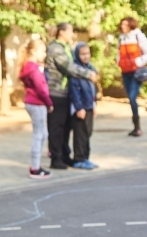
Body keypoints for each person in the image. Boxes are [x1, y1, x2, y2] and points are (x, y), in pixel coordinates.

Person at [46, 23, 98, 169]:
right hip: (56, 92)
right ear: (61, 32)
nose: (72, 34)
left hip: (65, 93)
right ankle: (56, 158)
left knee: (65, 127)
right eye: (70, 31)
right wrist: (88, 74)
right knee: (57, 127)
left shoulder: (65, 48)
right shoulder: (56, 48)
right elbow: (68, 67)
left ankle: (64, 155)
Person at [18, 38, 53, 179]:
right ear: (33, 51)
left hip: (34, 102)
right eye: (42, 51)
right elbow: (41, 89)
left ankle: (37, 165)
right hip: (37, 103)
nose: (44, 54)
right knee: (39, 135)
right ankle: (35, 168)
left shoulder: (29, 67)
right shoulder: (33, 69)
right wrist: (49, 103)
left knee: (43, 133)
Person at [117, 17, 147, 137]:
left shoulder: (138, 36)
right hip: (125, 71)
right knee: (130, 98)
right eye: (122, 24)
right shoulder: (121, 38)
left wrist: (138, 61)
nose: (123, 27)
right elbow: (119, 53)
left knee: (132, 97)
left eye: (126, 24)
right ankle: (135, 127)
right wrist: (119, 62)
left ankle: (137, 127)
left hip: (136, 72)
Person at [69, 43, 99, 169]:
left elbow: (93, 90)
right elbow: (74, 91)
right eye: (82, 54)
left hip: (89, 105)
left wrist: (94, 104)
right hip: (81, 107)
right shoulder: (76, 71)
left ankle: (86, 157)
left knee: (88, 132)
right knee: (80, 134)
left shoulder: (90, 69)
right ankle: (79, 158)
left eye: (87, 53)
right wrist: (79, 107)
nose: (86, 56)